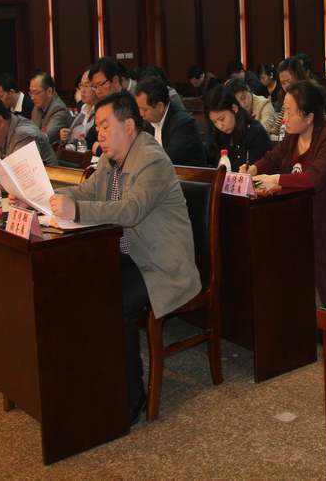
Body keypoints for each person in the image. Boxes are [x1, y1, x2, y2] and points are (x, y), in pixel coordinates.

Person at [49, 90, 200, 425]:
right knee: (76, 283)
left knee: (115, 302)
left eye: (106, 126)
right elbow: (85, 192)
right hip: (128, 255)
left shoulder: (151, 159)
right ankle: (96, 376)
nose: (99, 133)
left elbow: (130, 210)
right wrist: (47, 196)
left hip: (160, 265)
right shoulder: (110, 158)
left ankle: (131, 395)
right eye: (98, 126)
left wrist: (77, 209)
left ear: (129, 126)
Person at [241, 81, 326, 307]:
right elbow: (274, 158)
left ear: (308, 117)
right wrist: (254, 169)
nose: (283, 117)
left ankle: (318, 313)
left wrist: (275, 179)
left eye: (288, 111)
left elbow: (314, 178)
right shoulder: (293, 135)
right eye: (283, 110)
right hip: (300, 212)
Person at [135, 77, 206, 166]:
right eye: (139, 108)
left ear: (160, 107)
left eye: (144, 109)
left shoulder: (183, 124)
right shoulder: (147, 121)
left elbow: (167, 161)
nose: (141, 114)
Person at [203, 83, 272, 170]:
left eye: (222, 119)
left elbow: (260, 170)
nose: (219, 126)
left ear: (234, 108)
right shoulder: (217, 133)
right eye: (214, 122)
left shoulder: (255, 132)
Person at [85, 58, 128, 153]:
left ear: (115, 81)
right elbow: (89, 139)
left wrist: (98, 149)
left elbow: (124, 145)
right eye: (94, 87)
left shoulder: (129, 105)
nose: (98, 91)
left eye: (101, 84)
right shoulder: (102, 108)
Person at [28, 71, 71, 145]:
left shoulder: (59, 110)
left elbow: (44, 138)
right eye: (31, 93)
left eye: (36, 93)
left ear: (49, 91)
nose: (32, 97)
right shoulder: (36, 108)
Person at [61, 68, 96, 147]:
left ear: (96, 87)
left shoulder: (100, 111)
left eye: (86, 86)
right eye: (81, 85)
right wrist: (65, 137)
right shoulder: (83, 108)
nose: (82, 90)